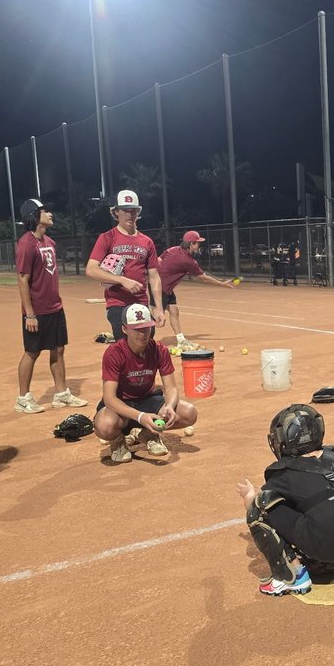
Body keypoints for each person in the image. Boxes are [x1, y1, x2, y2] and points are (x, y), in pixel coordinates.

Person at [235, 404, 334, 596]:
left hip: (323, 549)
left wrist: (249, 496)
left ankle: (293, 576)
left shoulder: (283, 472)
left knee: (259, 506)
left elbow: (264, 506)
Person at [92, 303, 197, 463]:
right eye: (137, 329)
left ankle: (147, 434)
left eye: (146, 328)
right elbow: (109, 398)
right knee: (105, 426)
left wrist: (169, 406)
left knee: (189, 413)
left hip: (147, 400)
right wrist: (140, 417)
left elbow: (171, 388)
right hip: (121, 405)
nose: (143, 334)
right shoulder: (114, 353)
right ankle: (118, 441)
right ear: (125, 329)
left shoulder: (159, 350)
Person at [13, 199, 88, 414]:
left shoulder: (50, 242)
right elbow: (22, 279)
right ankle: (23, 398)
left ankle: (61, 393)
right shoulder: (26, 243)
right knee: (32, 352)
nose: (50, 214)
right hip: (36, 311)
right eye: (45, 211)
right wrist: (29, 314)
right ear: (34, 216)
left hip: (55, 307)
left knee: (58, 349)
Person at [86, 190, 164, 342]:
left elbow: (154, 277)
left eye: (134, 210)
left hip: (141, 302)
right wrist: (122, 280)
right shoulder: (107, 238)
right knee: (125, 343)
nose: (130, 214)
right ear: (116, 212)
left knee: (146, 342)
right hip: (117, 303)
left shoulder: (147, 242)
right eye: (125, 210)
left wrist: (159, 308)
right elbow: (91, 269)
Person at [156, 230, 238, 350]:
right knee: (154, 318)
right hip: (159, 289)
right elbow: (202, 278)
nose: (198, 245)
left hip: (165, 287)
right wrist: (222, 284)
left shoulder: (173, 249)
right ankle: (140, 341)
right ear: (191, 244)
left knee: (174, 311)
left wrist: (159, 275)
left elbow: (159, 259)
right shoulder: (187, 261)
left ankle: (181, 340)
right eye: (197, 243)